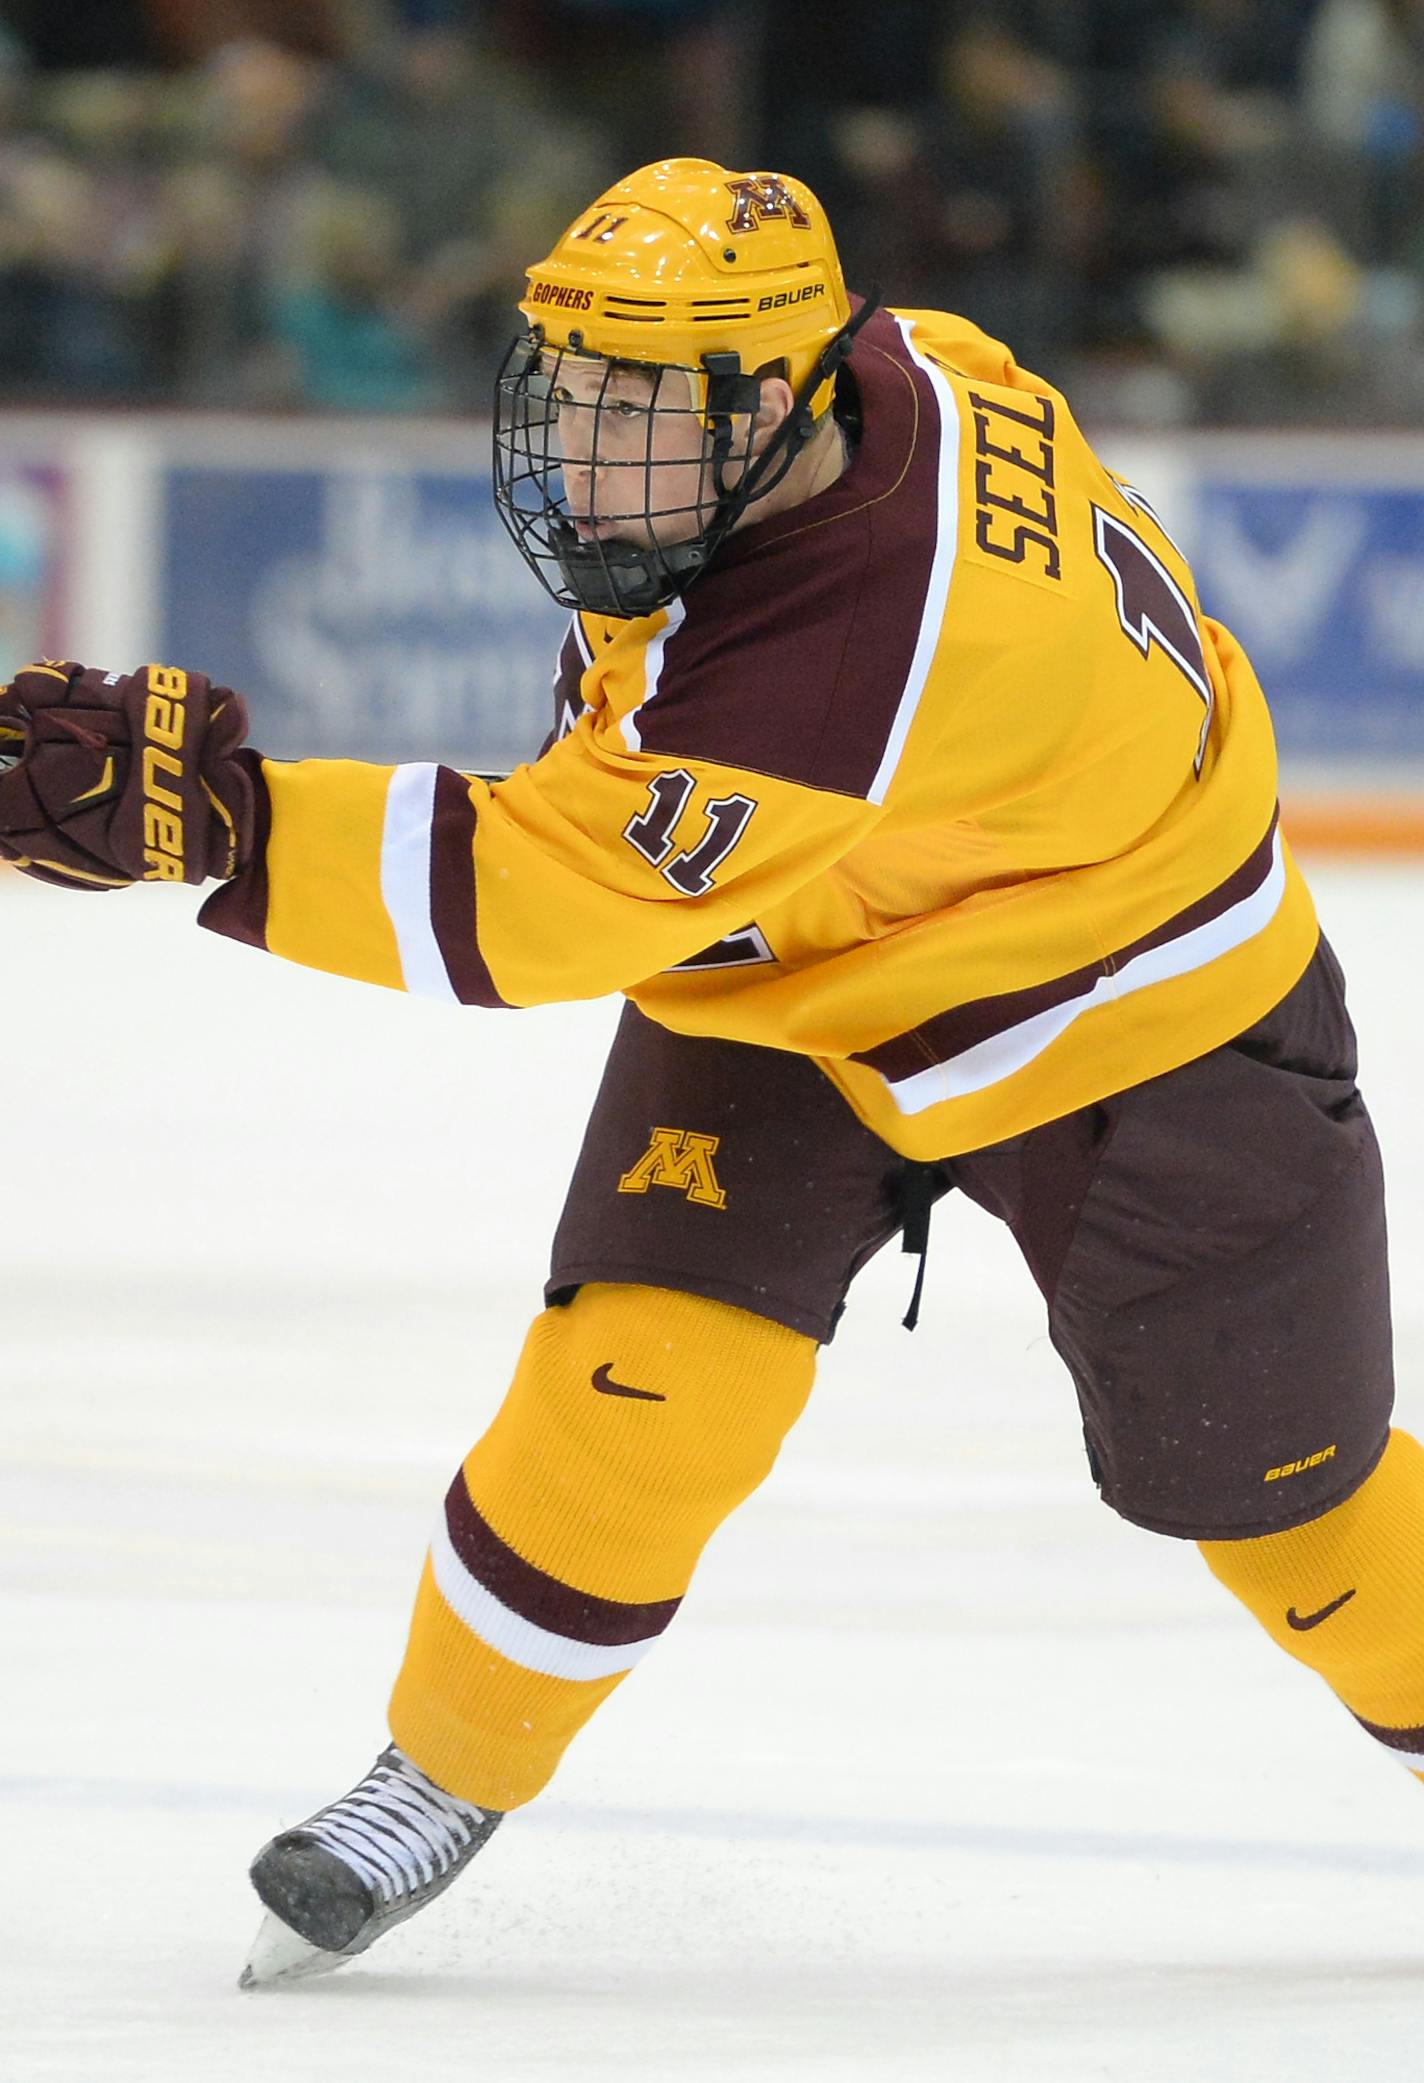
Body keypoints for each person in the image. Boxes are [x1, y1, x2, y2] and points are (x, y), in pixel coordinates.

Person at [1, 157, 1417, 1989]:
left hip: (1139, 1011)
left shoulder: (838, 667)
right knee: (633, 1389)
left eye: (638, 403)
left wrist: (214, 821)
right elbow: (642, 814)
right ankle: (439, 1771)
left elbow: (528, 905)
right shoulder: (904, 366)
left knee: (1289, 1507)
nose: (582, 441)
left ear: (779, 402)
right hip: (804, 948)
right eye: (571, 385)